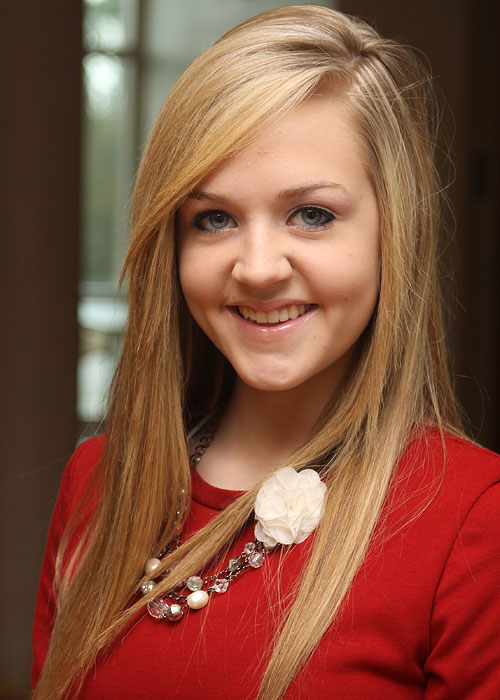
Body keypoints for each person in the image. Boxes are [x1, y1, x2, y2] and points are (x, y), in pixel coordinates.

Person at [32, 5, 500, 699]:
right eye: (214, 218)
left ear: (392, 233)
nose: (256, 269)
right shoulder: (96, 484)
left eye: (312, 214)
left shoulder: (473, 522)